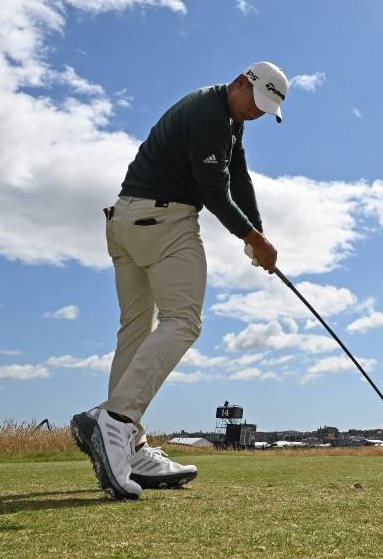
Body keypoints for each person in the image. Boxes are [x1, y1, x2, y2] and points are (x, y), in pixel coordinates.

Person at [69, 62, 289, 500]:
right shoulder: (211, 118)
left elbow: (238, 176)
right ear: (241, 83)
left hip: (125, 221)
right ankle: (115, 421)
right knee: (184, 321)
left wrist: (257, 234)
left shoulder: (226, 116)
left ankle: (129, 446)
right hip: (164, 221)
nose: (257, 114)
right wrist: (252, 238)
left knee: (135, 331)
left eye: (266, 111)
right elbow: (213, 193)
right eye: (257, 104)